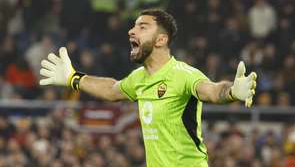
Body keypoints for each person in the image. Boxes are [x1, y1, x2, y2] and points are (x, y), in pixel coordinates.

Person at [39, 9, 257, 167]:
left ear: (161, 39)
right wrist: (73, 77)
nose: (131, 31)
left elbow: (211, 90)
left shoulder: (182, 74)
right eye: (134, 26)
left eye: (142, 27)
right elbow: (112, 90)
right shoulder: (139, 78)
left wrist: (231, 92)